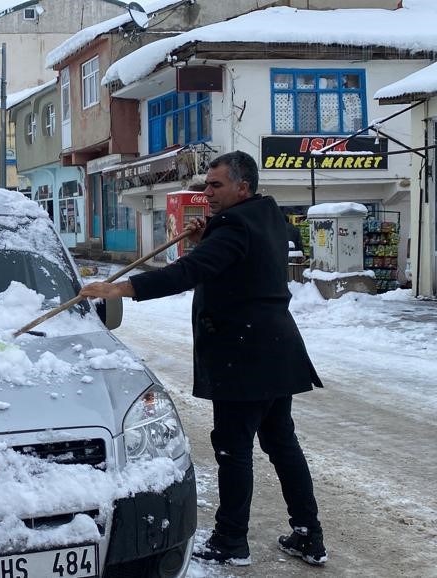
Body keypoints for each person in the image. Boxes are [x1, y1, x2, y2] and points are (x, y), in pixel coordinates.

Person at [80, 151, 327, 567]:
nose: (206, 193)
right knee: (281, 444)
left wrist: (121, 290)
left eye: (216, 186)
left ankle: (231, 542)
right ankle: (309, 535)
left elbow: (188, 273)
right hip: (277, 351)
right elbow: (234, 261)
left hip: (244, 357)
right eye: (206, 184)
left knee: (234, 450)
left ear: (242, 187)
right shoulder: (266, 214)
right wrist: (207, 237)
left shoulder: (232, 226)